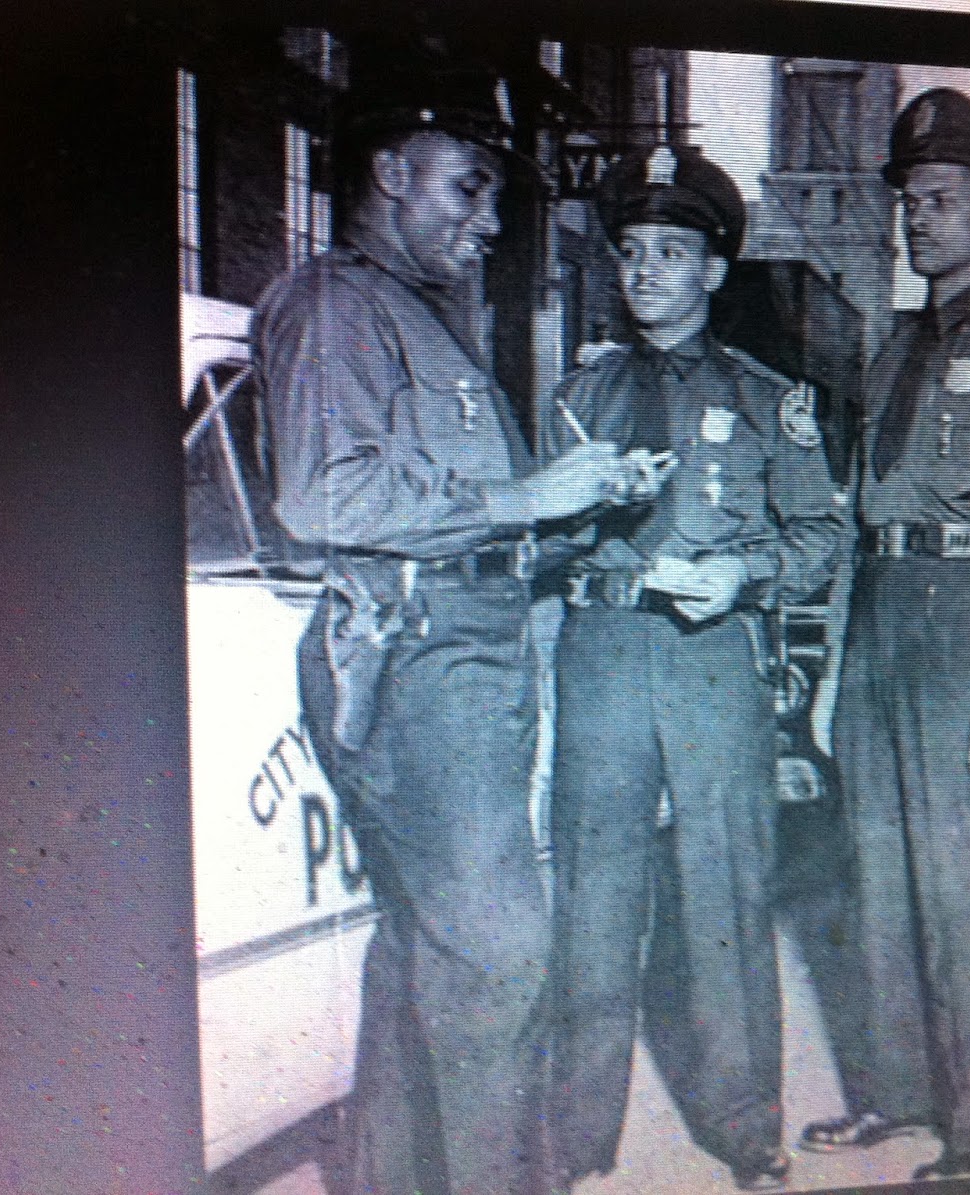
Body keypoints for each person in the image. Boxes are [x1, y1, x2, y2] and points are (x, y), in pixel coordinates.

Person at [251, 101, 640, 1195]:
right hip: (421, 662)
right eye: (468, 187)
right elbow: (323, 496)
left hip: (459, 651)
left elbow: (467, 522)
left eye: (495, 197)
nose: (489, 221)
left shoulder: (414, 315)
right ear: (390, 171)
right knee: (499, 957)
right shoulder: (335, 303)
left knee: (430, 951)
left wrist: (580, 506)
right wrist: (528, 495)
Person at [538, 143, 846, 1192]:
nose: (644, 271)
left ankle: (746, 1131)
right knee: (592, 897)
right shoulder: (579, 395)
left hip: (712, 661)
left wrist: (741, 576)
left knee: (725, 894)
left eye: (670, 252)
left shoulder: (767, 398)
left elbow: (819, 538)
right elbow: (537, 543)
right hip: (603, 656)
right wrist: (579, 511)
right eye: (630, 251)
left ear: (713, 271)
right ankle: (574, 1140)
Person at [803, 87, 970, 1182]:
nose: (919, 218)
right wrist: (833, 666)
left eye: (943, 199)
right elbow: (855, 520)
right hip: (878, 615)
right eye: (910, 200)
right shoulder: (890, 349)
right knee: (878, 868)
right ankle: (902, 1094)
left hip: (966, 619)